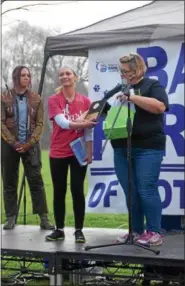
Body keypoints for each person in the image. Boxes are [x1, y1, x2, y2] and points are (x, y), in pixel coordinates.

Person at [104, 53, 169, 246]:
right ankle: (136, 230)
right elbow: (102, 110)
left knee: (146, 189)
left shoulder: (151, 86)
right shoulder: (119, 89)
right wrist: (88, 117)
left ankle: (154, 231)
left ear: (137, 69)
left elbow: (160, 106)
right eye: (121, 71)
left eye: (126, 71)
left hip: (148, 147)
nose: (123, 75)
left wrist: (133, 97)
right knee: (130, 191)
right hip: (121, 149)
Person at [45, 66, 96, 243]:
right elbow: (63, 123)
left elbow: (89, 132)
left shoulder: (86, 101)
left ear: (75, 77)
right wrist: (84, 122)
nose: (64, 76)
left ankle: (79, 230)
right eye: (61, 74)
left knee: (77, 190)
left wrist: (89, 151)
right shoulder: (54, 100)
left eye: (68, 73)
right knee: (59, 191)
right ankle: (59, 229)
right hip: (58, 152)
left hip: (78, 153)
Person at [1, 65, 54, 231]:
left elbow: (40, 123)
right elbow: (1, 123)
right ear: (16, 77)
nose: (27, 78)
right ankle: (10, 218)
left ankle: (44, 218)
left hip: (31, 146)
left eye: (29, 75)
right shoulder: (4, 98)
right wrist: (13, 142)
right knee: (9, 182)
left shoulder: (36, 98)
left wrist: (29, 143)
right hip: (9, 146)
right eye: (23, 75)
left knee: (36, 181)